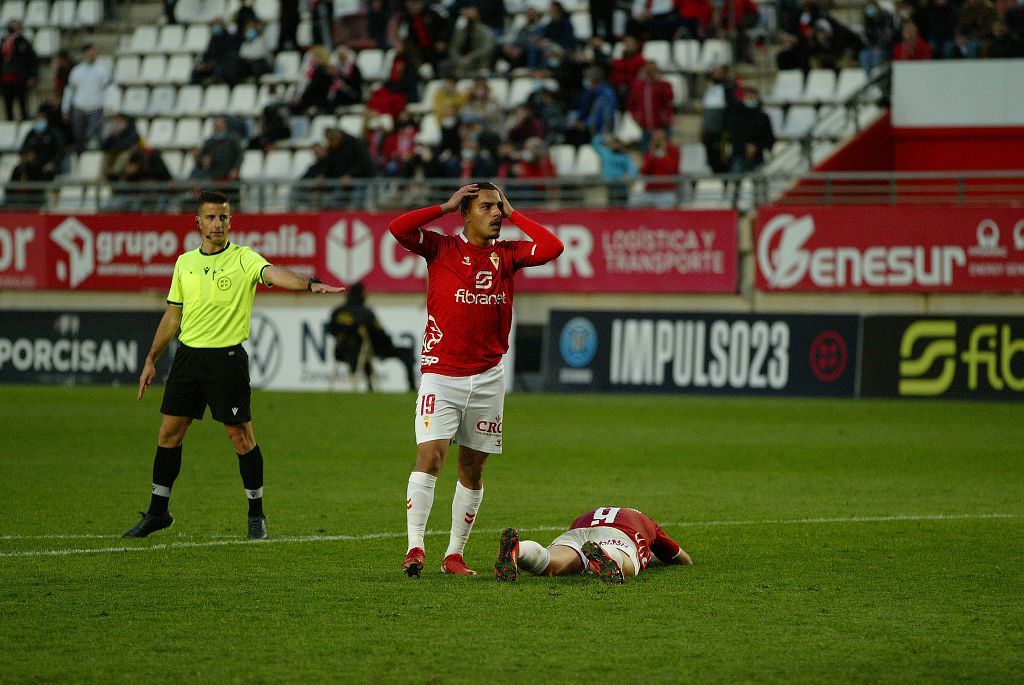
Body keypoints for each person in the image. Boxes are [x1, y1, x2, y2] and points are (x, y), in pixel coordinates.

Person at [123, 190, 344, 540]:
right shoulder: (185, 263)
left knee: (240, 437)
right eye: (210, 217)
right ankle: (158, 511)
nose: (217, 223)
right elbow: (173, 314)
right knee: (168, 434)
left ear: (231, 221)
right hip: (188, 358)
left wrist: (309, 284)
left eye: (223, 217)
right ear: (197, 223)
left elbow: (273, 274)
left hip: (226, 360)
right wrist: (151, 359)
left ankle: (256, 514)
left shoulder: (243, 259)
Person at [391, 182, 564, 578]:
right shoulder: (441, 248)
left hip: (488, 378)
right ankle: (415, 547)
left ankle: (454, 555)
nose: (496, 214)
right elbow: (399, 228)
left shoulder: (508, 255)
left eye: (498, 208)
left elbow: (553, 247)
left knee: (472, 467)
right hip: (442, 375)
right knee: (431, 456)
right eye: (487, 207)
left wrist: (517, 212)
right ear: (466, 213)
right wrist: (444, 205)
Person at [493, 506, 693, 584]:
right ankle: (607, 555)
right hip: (618, 536)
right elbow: (681, 558)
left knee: (551, 562)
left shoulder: (585, 515)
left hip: (577, 533)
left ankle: (519, 551)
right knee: (628, 563)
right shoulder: (644, 520)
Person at [328, 282, 417, 391]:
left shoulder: (337, 312)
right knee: (405, 352)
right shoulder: (365, 313)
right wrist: (388, 343)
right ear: (362, 294)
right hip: (365, 351)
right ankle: (412, 387)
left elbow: (330, 330)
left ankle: (370, 386)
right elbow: (379, 333)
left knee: (364, 350)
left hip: (340, 352)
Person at [61, 44, 111, 153]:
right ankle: (79, 158)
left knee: (97, 135)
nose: (92, 55)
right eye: (90, 52)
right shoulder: (76, 71)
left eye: (94, 52)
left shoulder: (102, 70)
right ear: (84, 54)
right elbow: (70, 90)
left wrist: (109, 104)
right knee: (79, 136)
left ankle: (101, 157)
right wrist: (65, 109)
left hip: (96, 106)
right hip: (79, 107)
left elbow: (108, 89)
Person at [0, 20, 39, 121]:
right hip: (5, 79)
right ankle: (10, 125)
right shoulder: (3, 41)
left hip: (19, 78)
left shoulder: (23, 42)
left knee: (23, 105)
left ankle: (25, 124)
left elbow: (32, 60)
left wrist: (32, 76)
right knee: (8, 107)